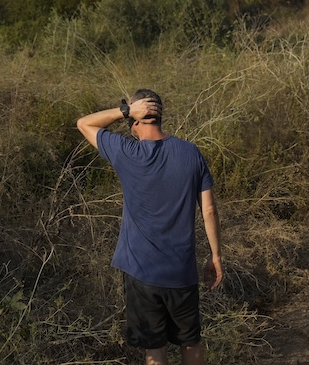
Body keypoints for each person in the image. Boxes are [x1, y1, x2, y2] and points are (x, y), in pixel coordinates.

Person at [76, 89, 223, 365]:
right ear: (160, 117)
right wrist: (215, 257)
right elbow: (210, 210)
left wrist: (124, 111)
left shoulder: (127, 152)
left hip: (141, 272)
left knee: (154, 350)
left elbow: (83, 123)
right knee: (190, 343)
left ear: (136, 119)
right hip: (181, 272)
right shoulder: (191, 153)